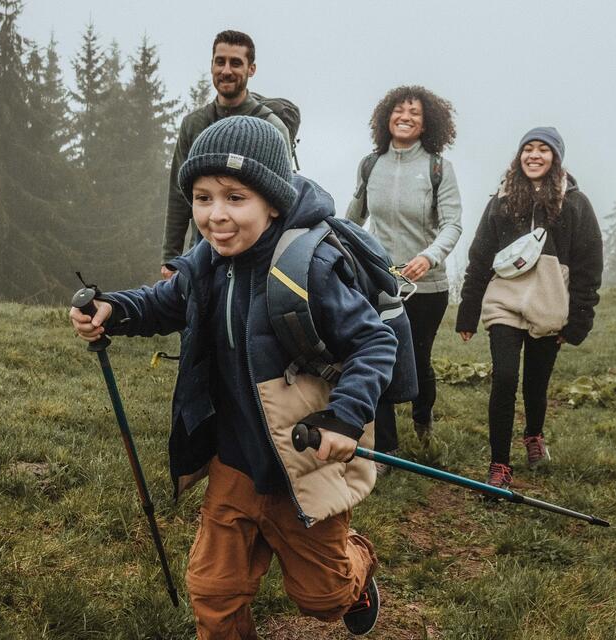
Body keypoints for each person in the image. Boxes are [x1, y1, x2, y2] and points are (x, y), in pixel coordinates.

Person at [72, 116, 388, 637]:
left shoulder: (309, 269)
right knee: (214, 593)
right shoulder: (207, 263)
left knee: (324, 596)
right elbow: (164, 303)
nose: (216, 215)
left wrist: (345, 417)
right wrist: (116, 310)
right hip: (234, 464)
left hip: (302, 461)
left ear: (273, 201)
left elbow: (375, 342)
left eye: (235, 197)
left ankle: (357, 571)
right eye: (202, 197)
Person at [454, 127, 602, 490]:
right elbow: (480, 257)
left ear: (556, 158)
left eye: (543, 150)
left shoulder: (575, 204)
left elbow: (588, 263)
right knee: (504, 379)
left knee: (537, 383)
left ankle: (534, 435)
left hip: (549, 307)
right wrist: (468, 310)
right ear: (519, 156)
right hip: (504, 302)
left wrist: (580, 318)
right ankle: (500, 465)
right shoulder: (502, 200)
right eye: (528, 149)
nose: (534, 156)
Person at [344, 85, 461, 458]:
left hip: (426, 287)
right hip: (379, 282)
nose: (405, 117)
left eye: (414, 113)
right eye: (399, 110)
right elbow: (352, 218)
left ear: (427, 124)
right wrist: (342, 251)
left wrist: (429, 256)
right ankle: (385, 450)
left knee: (419, 361)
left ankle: (422, 420)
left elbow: (453, 225)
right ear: (386, 117)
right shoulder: (370, 164)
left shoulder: (437, 167)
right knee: (378, 356)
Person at [160, 30, 292, 280]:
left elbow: (285, 196)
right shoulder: (193, 124)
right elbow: (179, 195)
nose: (226, 70)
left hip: (259, 260)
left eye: (236, 63)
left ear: (251, 69)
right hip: (202, 255)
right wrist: (171, 257)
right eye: (220, 61)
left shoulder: (273, 127)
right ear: (211, 65)